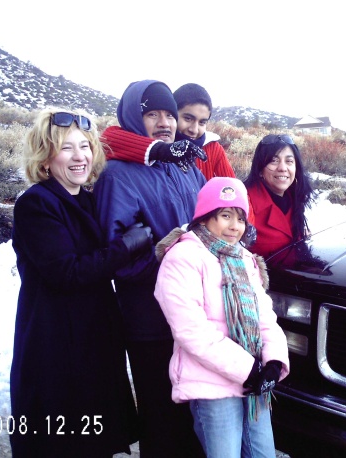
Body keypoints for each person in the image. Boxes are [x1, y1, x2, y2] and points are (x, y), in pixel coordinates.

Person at [10, 108, 150, 457]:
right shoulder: (36, 204)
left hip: (93, 341)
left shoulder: (87, 198)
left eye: (85, 146)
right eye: (67, 148)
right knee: (61, 443)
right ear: (45, 156)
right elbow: (67, 272)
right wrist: (126, 246)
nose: (80, 157)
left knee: (95, 442)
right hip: (54, 347)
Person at [93, 80, 206, 457]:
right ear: (132, 117)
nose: (164, 122)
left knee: (195, 417)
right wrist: (172, 256)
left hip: (194, 316)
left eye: (169, 114)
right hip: (150, 322)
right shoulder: (117, 175)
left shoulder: (185, 165)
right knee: (162, 420)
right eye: (152, 114)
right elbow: (117, 258)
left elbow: (208, 224)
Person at [153, 177, 290, 458]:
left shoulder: (244, 258)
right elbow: (191, 330)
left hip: (254, 384)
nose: (234, 226)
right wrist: (249, 369)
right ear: (204, 218)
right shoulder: (183, 257)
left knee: (263, 454)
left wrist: (274, 362)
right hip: (212, 383)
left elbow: (265, 315)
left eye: (240, 218)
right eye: (225, 215)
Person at [103, 82, 235, 180]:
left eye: (202, 122)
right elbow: (108, 140)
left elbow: (235, 193)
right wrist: (160, 150)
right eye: (188, 118)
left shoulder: (212, 148)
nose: (194, 130)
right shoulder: (161, 143)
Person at [243, 134, 315, 259]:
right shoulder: (243, 204)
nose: (282, 168)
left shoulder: (296, 200)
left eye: (289, 161)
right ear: (260, 169)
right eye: (273, 161)